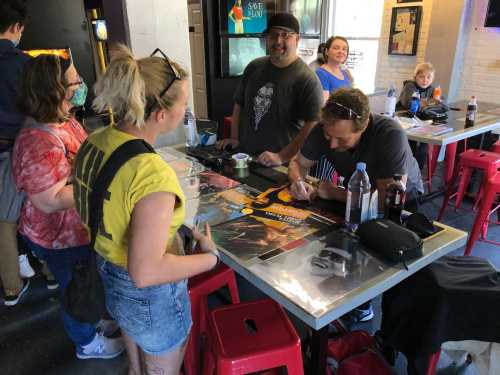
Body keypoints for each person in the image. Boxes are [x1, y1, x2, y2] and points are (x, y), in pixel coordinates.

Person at [73, 45, 220, 374]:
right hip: (149, 296)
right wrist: (210, 258)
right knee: (163, 364)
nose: (186, 110)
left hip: (107, 268)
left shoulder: (95, 140)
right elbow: (146, 272)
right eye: (184, 102)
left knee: (136, 353)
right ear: (159, 114)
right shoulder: (152, 174)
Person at [12, 54, 124, 359]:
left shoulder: (64, 118)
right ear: (55, 89)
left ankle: (92, 319)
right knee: (74, 289)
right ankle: (86, 343)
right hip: (58, 237)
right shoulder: (37, 140)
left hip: (78, 228)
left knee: (86, 281)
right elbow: (48, 200)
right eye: (75, 81)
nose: (81, 85)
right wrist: (102, 183)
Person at [288, 88, 423, 322]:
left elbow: (384, 201)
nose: (331, 144)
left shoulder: (388, 134)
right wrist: (298, 182)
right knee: (345, 245)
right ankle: (353, 303)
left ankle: (383, 325)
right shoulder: (326, 129)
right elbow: (297, 163)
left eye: (341, 138)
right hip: (356, 193)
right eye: (329, 136)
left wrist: (335, 193)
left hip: (402, 202)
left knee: (392, 270)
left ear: (363, 126)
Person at [217, 12, 323, 168]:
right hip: (246, 157)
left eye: (285, 35)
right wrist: (234, 138)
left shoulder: (307, 79)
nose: (278, 41)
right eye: (273, 35)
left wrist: (282, 156)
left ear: (297, 39)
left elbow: (313, 125)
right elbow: (239, 104)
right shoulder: (254, 67)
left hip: (280, 166)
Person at [0, 0, 35, 306]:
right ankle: (13, 287)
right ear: (16, 27)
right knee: (31, 210)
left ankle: (21, 269)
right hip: (19, 149)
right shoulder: (23, 64)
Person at [398, 62, 439, 170]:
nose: (425, 80)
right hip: (405, 120)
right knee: (409, 147)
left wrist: (428, 102)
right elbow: (409, 103)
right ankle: (405, 171)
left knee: (424, 147)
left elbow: (439, 103)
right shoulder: (410, 86)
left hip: (422, 122)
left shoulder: (432, 89)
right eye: (421, 77)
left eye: (429, 77)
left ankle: (417, 172)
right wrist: (430, 102)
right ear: (415, 77)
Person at [316, 36, 353, 103]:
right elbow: (324, 105)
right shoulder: (321, 74)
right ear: (327, 51)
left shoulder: (345, 72)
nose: (341, 51)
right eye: (336, 48)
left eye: (344, 49)